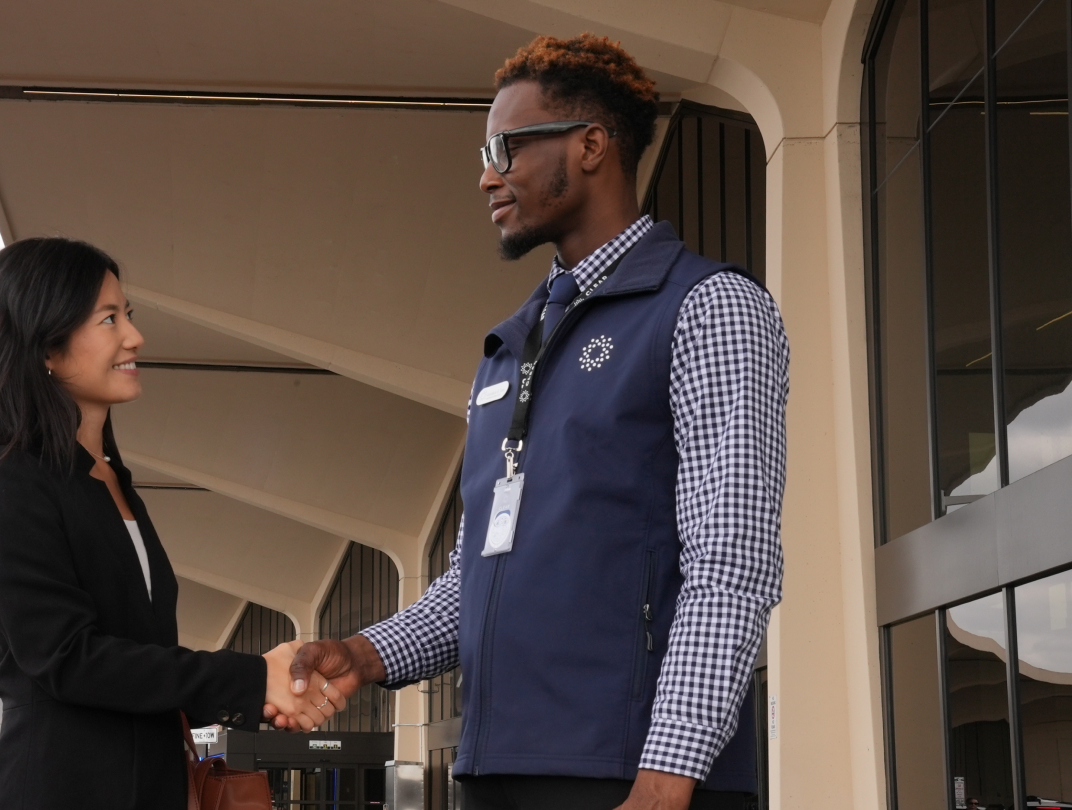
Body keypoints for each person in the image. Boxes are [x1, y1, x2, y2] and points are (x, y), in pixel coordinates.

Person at [270, 34, 789, 810]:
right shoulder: (509, 348)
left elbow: (732, 557)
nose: (486, 175)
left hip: (630, 777)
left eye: (506, 148)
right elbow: (473, 577)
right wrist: (363, 652)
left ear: (589, 146)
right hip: (492, 768)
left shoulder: (708, 309)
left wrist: (668, 776)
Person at [0, 237, 343, 810]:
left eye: (128, 314)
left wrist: (275, 691)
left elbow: (140, 659)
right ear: (46, 347)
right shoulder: (2, 480)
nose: (134, 336)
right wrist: (252, 680)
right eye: (109, 318)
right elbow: (66, 659)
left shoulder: (112, 481)